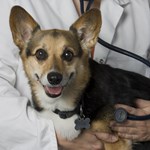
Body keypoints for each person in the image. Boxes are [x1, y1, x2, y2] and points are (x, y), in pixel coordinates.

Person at [0, 0, 150, 149]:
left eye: (67, 54)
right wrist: (51, 135)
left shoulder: (141, 7)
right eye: (41, 54)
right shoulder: (13, 3)